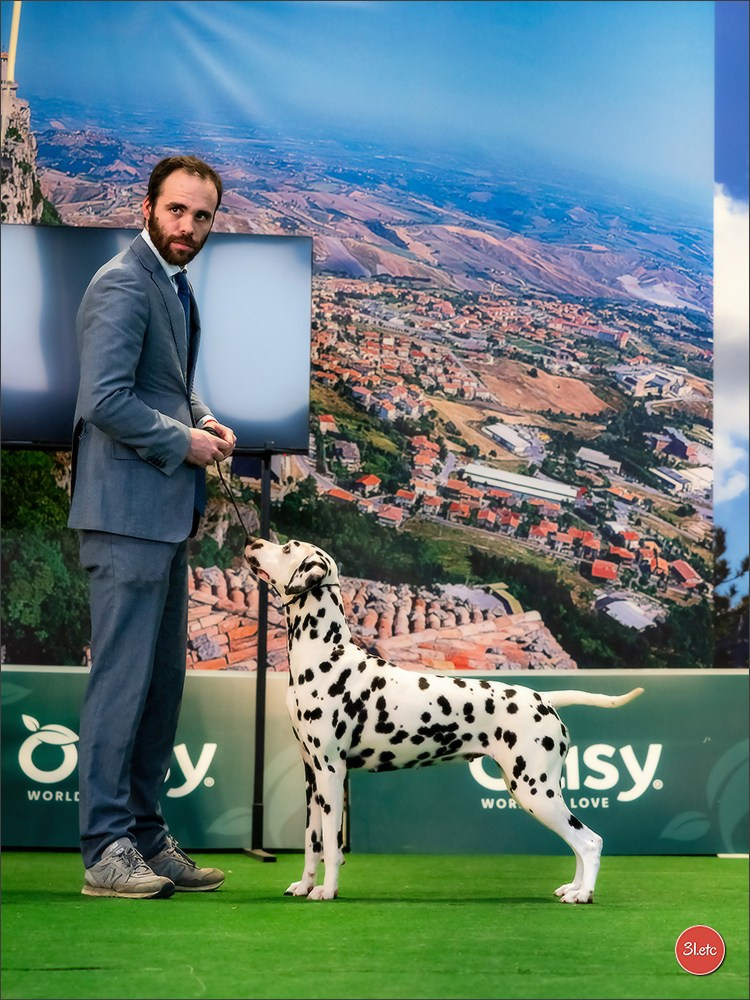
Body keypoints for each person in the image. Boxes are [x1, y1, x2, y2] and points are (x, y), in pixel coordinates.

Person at [68, 155, 236, 899]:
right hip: (125, 516)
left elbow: (160, 381)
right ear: (148, 206)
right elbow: (104, 399)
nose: (189, 227)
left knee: (160, 686)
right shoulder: (122, 283)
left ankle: (143, 834)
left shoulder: (170, 286)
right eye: (178, 211)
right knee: (122, 685)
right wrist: (183, 442)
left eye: (202, 216)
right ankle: (106, 849)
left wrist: (199, 416)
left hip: (162, 519)